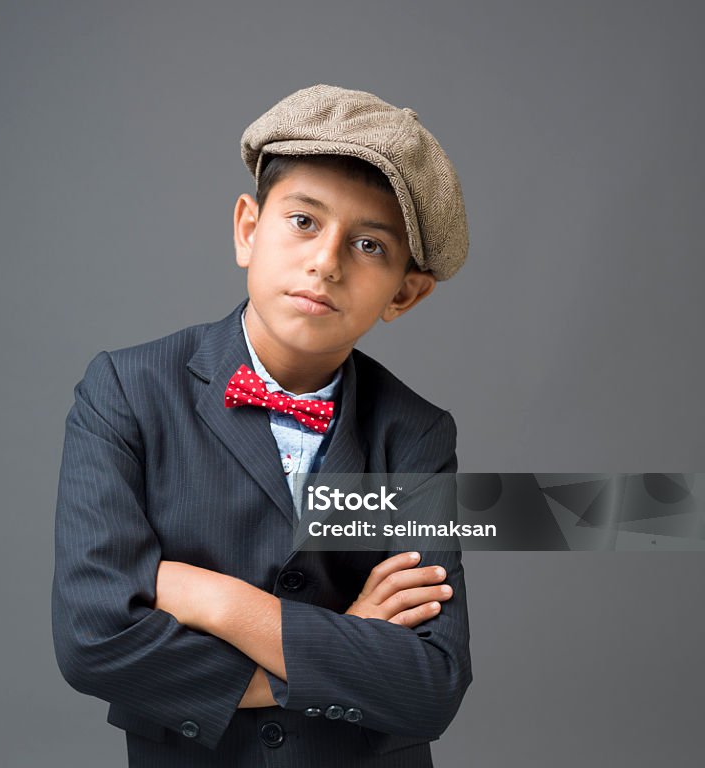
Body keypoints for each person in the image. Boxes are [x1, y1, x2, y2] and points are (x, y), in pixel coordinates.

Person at [52, 84, 473, 767]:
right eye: (304, 221)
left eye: (369, 245)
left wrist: (220, 603)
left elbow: (431, 683)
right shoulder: (128, 392)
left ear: (405, 291)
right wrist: (341, 643)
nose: (326, 262)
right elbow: (95, 641)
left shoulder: (415, 434)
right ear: (248, 228)